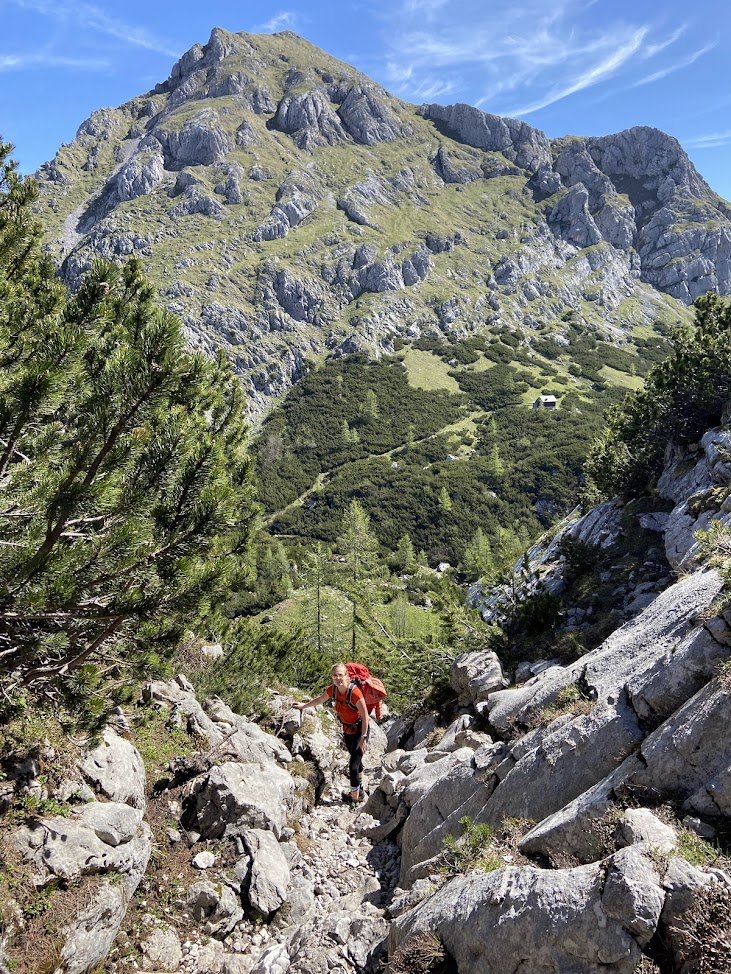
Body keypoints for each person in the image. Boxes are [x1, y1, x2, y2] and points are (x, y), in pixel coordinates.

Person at [294, 663, 369, 803]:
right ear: (332, 677)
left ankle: (355, 798)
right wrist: (303, 706)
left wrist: (364, 737)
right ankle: (360, 789)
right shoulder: (333, 690)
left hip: (360, 730)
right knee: (356, 759)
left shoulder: (355, 693)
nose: (338, 678)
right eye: (335, 675)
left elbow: (365, 716)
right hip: (347, 729)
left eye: (341, 675)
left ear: (347, 676)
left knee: (353, 765)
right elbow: (320, 699)